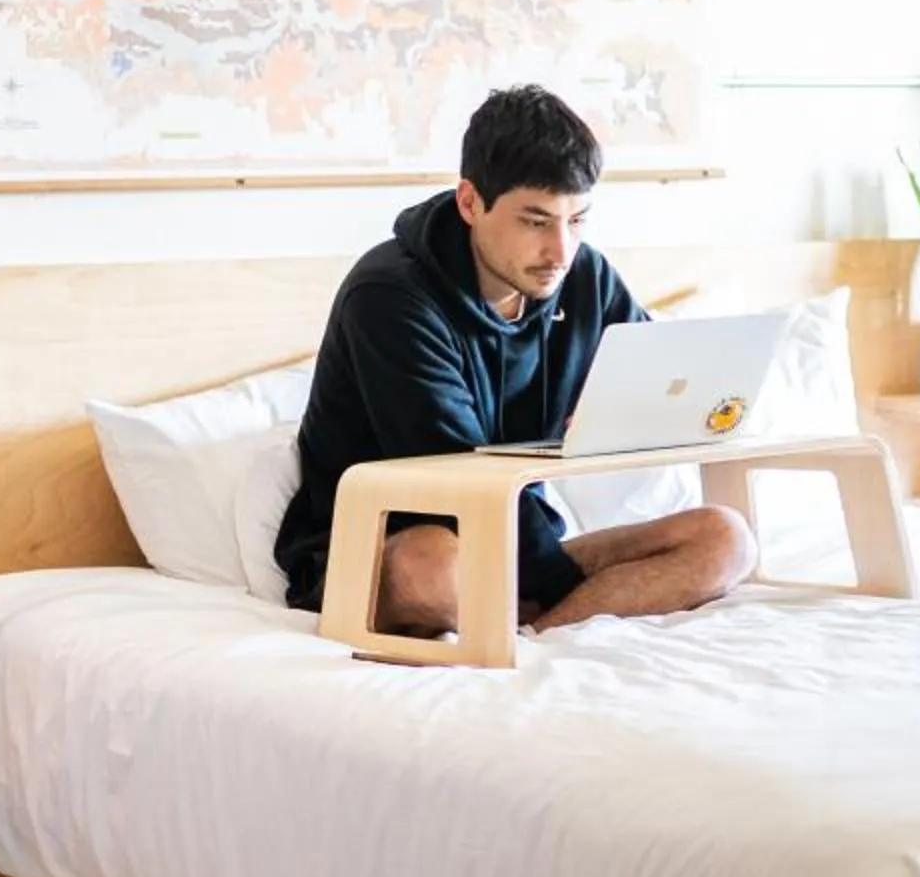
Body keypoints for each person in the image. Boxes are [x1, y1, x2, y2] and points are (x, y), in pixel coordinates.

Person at [273, 86, 756, 635]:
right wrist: (555, 573)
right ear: (470, 202)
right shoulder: (389, 297)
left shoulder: (582, 276)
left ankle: (541, 630)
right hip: (391, 544)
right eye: (535, 221)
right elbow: (457, 477)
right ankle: (537, 609)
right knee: (437, 563)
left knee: (726, 539)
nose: (560, 251)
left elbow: (658, 377)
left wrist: (641, 410)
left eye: (576, 222)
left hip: (521, 545)